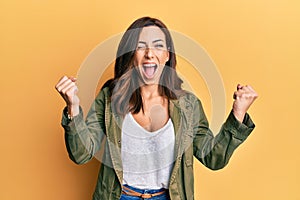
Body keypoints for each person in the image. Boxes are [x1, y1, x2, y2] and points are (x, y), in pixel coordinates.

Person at [55, 16, 258, 200]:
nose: (149, 54)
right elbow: (81, 154)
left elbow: (213, 158)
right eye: (141, 46)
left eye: (158, 46)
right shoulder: (109, 99)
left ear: (167, 55)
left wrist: (237, 114)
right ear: (130, 54)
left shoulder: (189, 105)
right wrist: (73, 108)